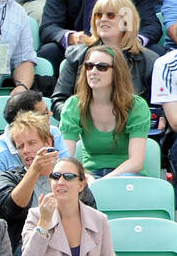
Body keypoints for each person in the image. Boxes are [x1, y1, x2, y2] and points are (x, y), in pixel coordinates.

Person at [17, 156, 117, 256]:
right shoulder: (36, 215)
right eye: (55, 176)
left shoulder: (99, 220)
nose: (60, 182)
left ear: (81, 184)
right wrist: (43, 223)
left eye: (68, 177)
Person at [0, 109, 86, 254]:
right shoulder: (7, 178)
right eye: (20, 146)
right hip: (26, 247)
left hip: (70, 244)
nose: (26, 150)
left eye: (31, 143)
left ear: (48, 142)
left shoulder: (71, 174)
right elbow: (11, 211)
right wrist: (34, 170)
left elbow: (89, 212)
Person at [53, 0, 156, 119]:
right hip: (84, 129)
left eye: (111, 15)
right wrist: (79, 119)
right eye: (98, 15)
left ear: (127, 20)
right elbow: (58, 101)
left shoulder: (149, 61)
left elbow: (156, 107)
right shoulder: (76, 56)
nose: (103, 19)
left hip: (132, 129)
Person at [59, 45, 149, 177]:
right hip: (90, 175)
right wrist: (85, 179)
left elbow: (136, 162)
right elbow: (66, 159)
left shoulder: (136, 106)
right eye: (89, 66)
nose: (93, 71)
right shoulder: (74, 105)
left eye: (102, 67)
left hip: (127, 175)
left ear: (117, 72)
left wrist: (104, 182)